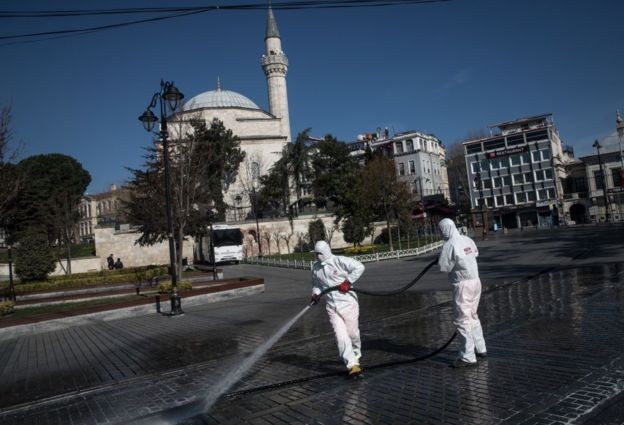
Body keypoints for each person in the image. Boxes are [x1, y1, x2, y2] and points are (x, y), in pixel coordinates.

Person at [310, 240, 365, 376]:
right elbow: (317, 284)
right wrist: (316, 294)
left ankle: (356, 352)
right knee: (340, 337)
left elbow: (359, 267)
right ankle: (352, 365)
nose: (317, 256)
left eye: (320, 253)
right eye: (316, 254)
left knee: (352, 333)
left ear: (326, 251)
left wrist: (348, 282)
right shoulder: (315, 267)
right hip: (332, 307)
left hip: (348, 304)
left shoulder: (339, 261)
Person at [437, 218, 487, 368]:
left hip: (462, 285)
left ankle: (467, 357)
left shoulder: (449, 245)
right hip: (476, 281)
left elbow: (443, 268)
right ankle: (481, 348)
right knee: (473, 315)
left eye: (441, 230)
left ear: (445, 229)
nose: (440, 233)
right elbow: (474, 254)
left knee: (462, 320)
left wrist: (440, 258)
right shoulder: (467, 240)